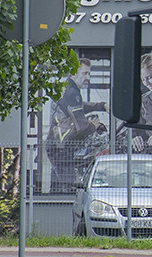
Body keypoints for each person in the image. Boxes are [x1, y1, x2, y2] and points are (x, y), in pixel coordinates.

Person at [46, 59, 108, 190]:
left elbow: (78, 107)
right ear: (74, 73)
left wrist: (101, 106)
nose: (88, 78)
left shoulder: (67, 89)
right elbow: (82, 127)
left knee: (57, 189)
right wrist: (94, 126)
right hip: (62, 148)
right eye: (85, 74)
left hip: (56, 145)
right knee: (68, 188)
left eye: (89, 74)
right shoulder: (72, 93)